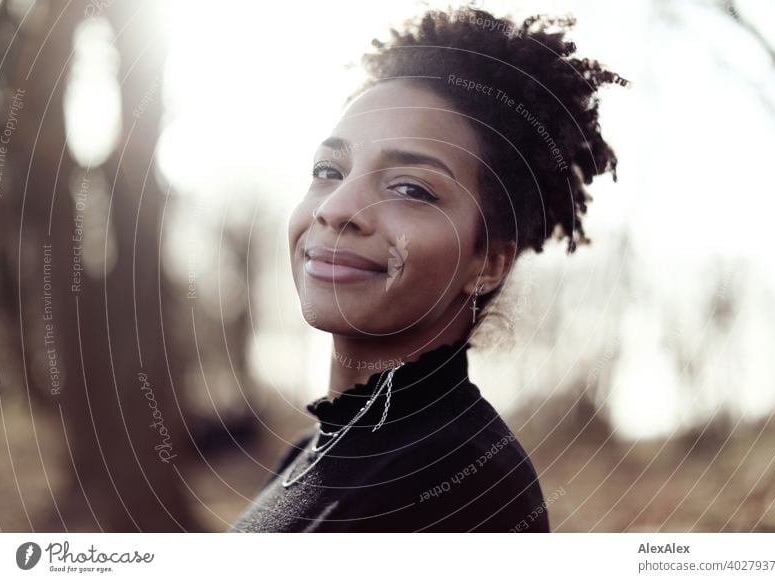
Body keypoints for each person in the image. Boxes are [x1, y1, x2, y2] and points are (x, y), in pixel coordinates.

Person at [230, 6, 627, 533]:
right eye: (328, 171)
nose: (336, 208)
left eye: (410, 189)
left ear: (488, 262)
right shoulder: (310, 453)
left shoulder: (464, 480)